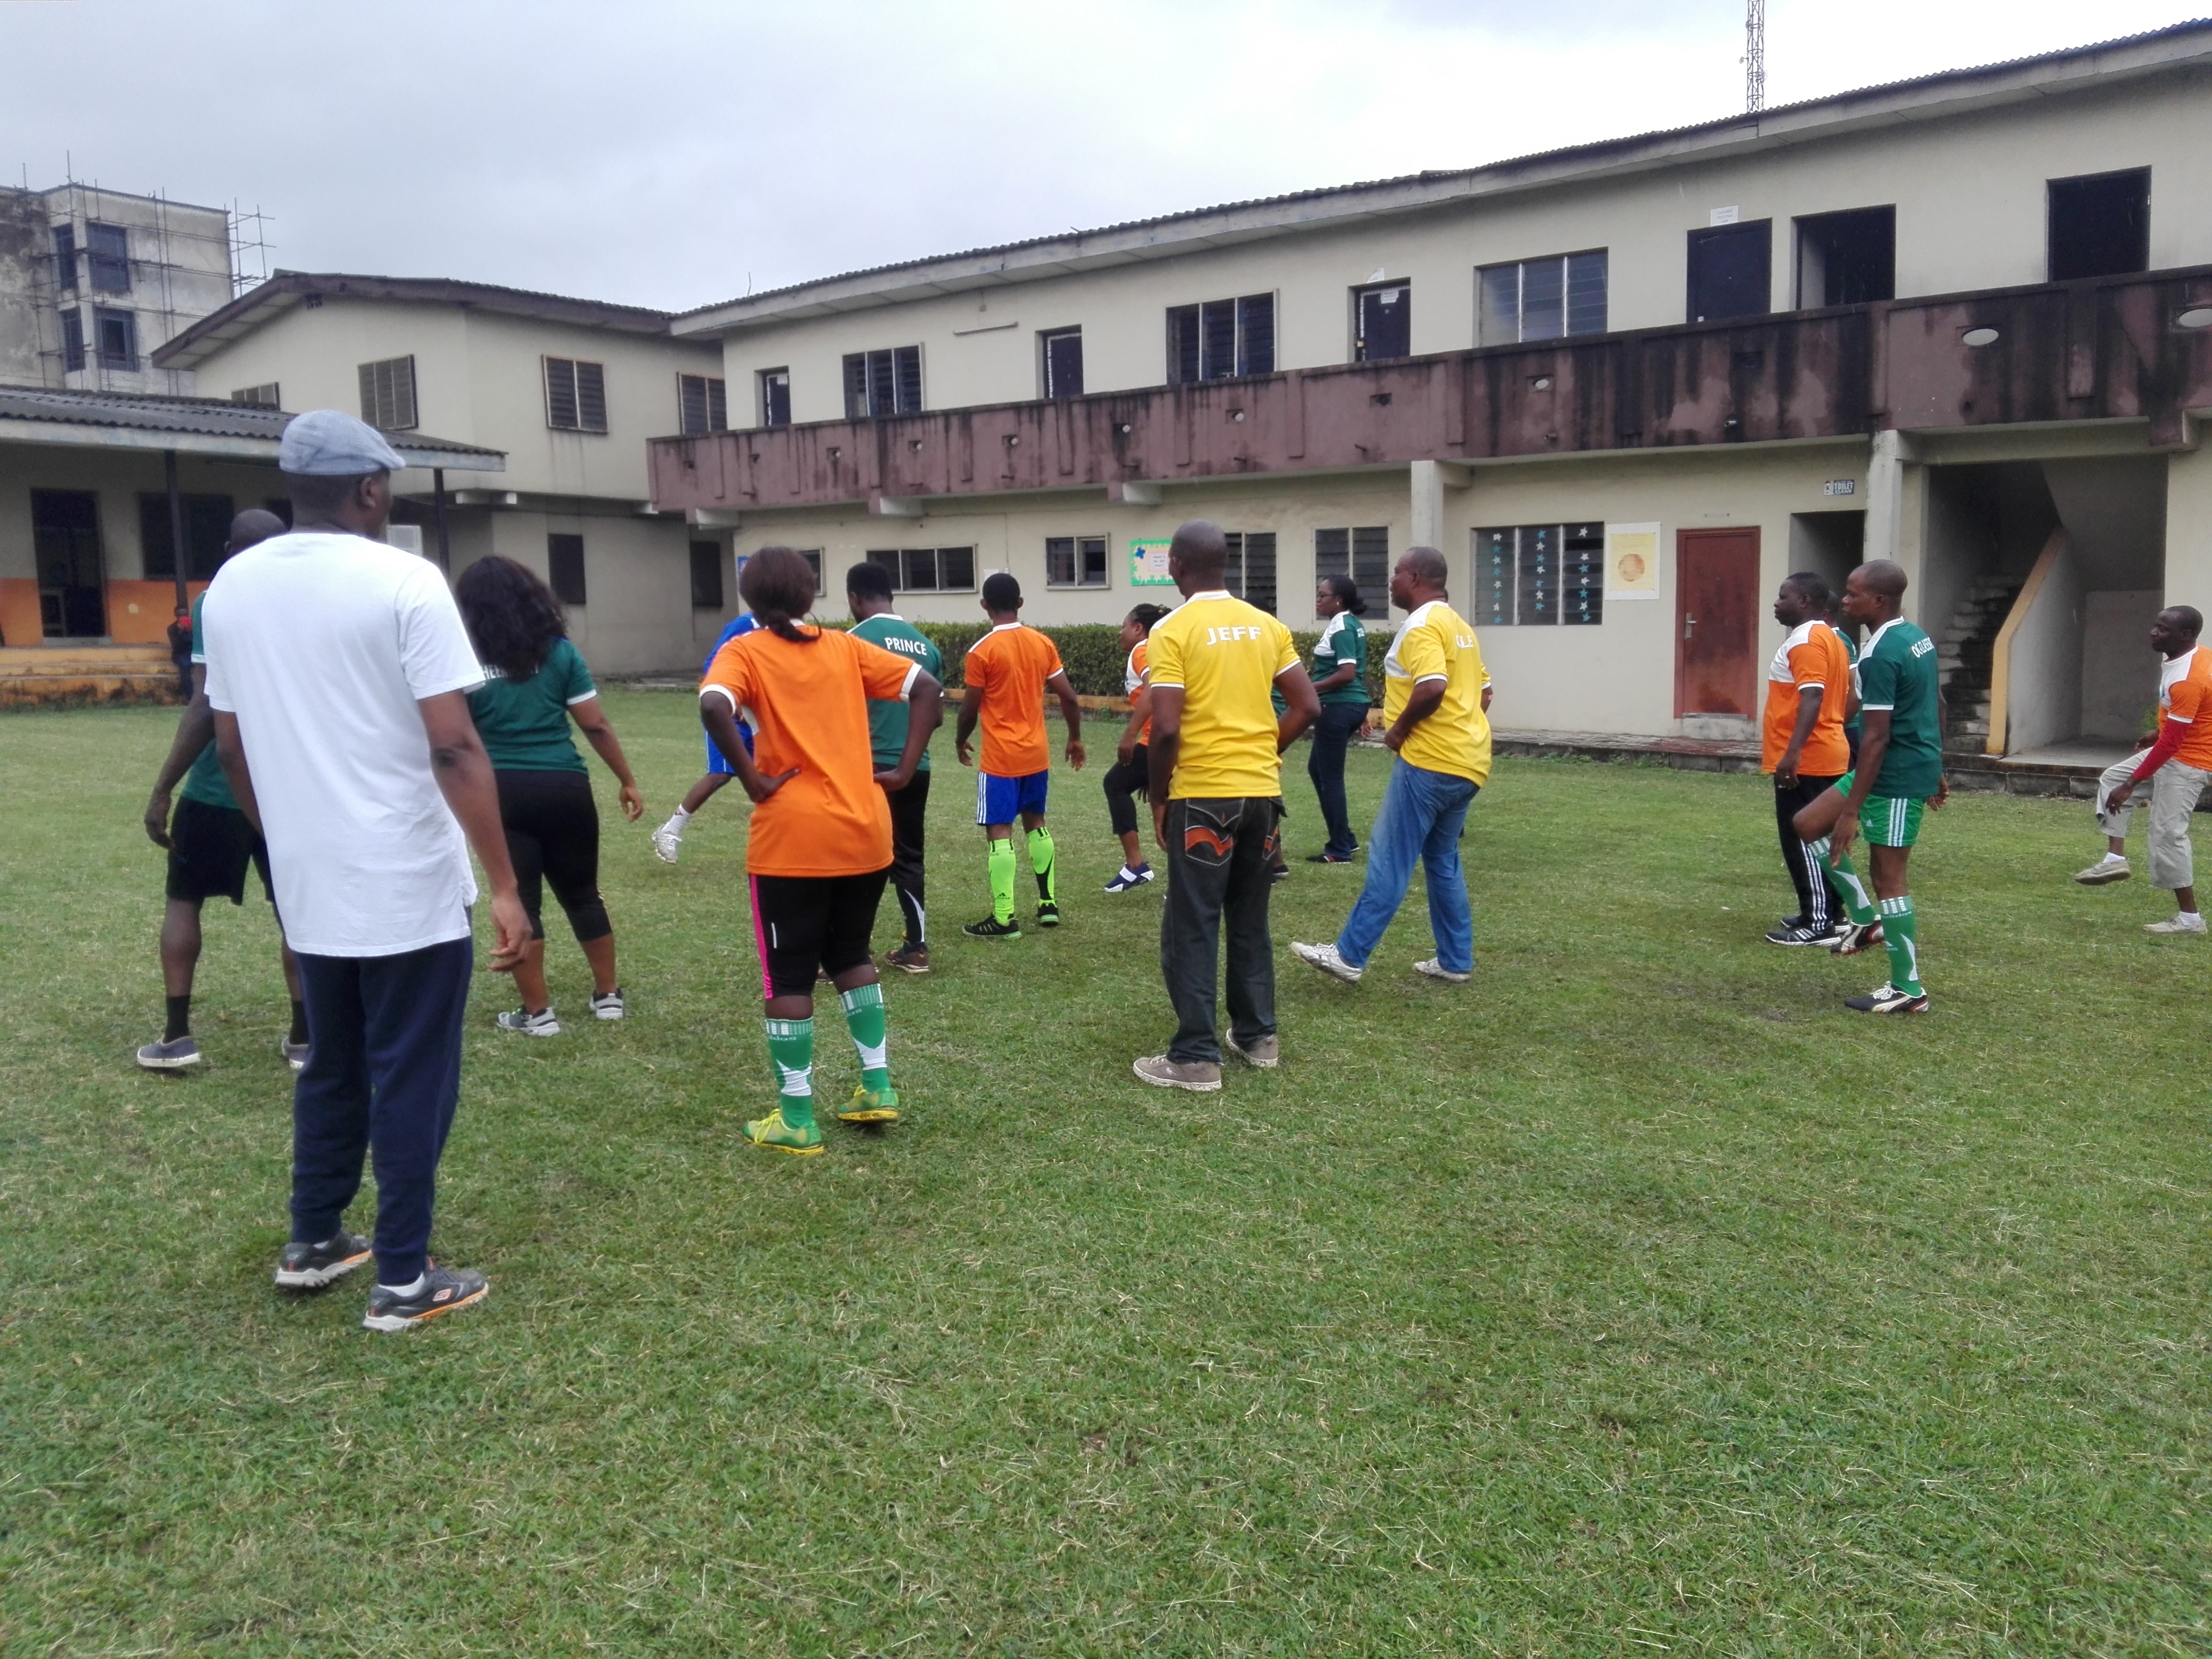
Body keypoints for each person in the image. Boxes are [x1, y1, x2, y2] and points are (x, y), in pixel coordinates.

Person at [203, 409, 529, 1332]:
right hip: (402, 878)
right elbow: (456, 748)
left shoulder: (231, 588)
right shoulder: (403, 580)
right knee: (415, 1069)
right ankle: (403, 1276)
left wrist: (291, 844)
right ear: (371, 488)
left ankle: (313, 1240)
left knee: (332, 1060)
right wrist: (505, 885)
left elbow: (231, 748)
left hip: (310, 881)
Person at [696, 546, 943, 1154]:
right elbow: (929, 689)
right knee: (851, 953)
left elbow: (712, 705)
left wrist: (754, 780)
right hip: (865, 830)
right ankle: (876, 1087)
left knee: (787, 976)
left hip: (791, 840)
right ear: (811, 595)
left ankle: (796, 1118)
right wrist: (904, 769)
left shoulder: (743, 651)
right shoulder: (844, 646)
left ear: (750, 599)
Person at [1134, 521, 1319, 1091]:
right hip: (1262, 796)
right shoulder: (1267, 626)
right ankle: (1257, 1035)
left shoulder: (1171, 631)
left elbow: (1164, 727)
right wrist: (1265, 750)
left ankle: (1194, 1057)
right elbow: (1307, 706)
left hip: (1203, 795)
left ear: (1176, 567)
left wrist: (1159, 795)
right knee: (1248, 917)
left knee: (1191, 923)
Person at [137, 509, 307, 1071]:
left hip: (216, 788)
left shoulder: (218, 601)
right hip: (290, 788)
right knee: (297, 911)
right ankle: (305, 1039)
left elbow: (207, 702)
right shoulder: (307, 601)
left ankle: (177, 1036)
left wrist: (164, 786)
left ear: (230, 549)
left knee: (184, 902)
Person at [455, 555, 646, 1035]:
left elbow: (452, 737)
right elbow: (595, 724)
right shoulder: (560, 652)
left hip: (501, 792)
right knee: (583, 893)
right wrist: (627, 778)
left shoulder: (460, 657)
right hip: (566, 787)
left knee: (523, 903)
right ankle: (607, 997)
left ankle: (538, 1015)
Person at [1293, 546, 1490, 987]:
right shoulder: (1460, 626)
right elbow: (1485, 693)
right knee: (1442, 860)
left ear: (1416, 577)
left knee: (1390, 857)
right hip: (1469, 760)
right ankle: (1455, 960)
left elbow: (1433, 685)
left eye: (1397, 573)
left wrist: (1399, 730)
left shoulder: (1421, 625)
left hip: (1430, 760)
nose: (1390, 580)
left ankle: (1348, 954)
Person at [1790, 559, 1946, 1014]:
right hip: (1898, 766)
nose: (1844, 599)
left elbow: (1877, 736)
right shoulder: (1914, 637)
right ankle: (1864, 920)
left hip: (1895, 775)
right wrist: (1937, 765)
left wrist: (1852, 812)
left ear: (1878, 600)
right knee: (1806, 824)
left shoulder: (1883, 653)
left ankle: (1908, 989)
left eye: (1853, 594)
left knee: (1890, 879)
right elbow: (1931, 702)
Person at [954, 572, 1084, 938]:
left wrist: (959, 739)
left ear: (984, 606)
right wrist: (1074, 738)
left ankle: (1004, 917)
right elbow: (1070, 698)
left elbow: (968, 709)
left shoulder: (981, 652)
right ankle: (1047, 905)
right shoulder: (1042, 643)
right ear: (1021, 604)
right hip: (1036, 755)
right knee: (1036, 823)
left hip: (1000, 758)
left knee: (999, 829)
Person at [2074, 605, 2210, 934]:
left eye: (2162, 629)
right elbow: (2183, 720)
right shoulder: (2188, 657)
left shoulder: (2189, 680)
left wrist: (2133, 785)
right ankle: (2114, 860)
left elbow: (2171, 746)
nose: (2153, 632)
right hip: (2178, 748)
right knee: (2111, 779)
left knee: (2167, 835)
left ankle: (2190, 920)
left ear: (2185, 635)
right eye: (2155, 626)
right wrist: (2157, 731)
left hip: (2190, 762)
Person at [846, 560, 944, 972]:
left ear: (855, 598)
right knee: (909, 855)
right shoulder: (928, 646)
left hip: (867, 766)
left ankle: (849, 951)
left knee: (853, 858)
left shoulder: (850, 642)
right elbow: (935, 715)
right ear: (892, 596)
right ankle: (916, 949)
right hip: (915, 766)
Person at [1761, 573, 1854, 946]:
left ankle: (1818, 923)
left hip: (1808, 759)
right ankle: (1833, 912)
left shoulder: (1805, 641)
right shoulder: (1832, 638)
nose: (1776, 603)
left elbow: (1812, 697)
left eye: (1783, 597)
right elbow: (1851, 698)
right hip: (1825, 751)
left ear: (1803, 602)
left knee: (1802, 838)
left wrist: (1793, 754)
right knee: (1823, 838)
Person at [651, 609, 760, 862]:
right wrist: (734, 701)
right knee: (720, 775)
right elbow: (714, 663)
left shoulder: (782, 628)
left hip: (759, 716)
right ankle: (670, 830)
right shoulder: (746, 624)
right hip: (729, 715)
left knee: (770, 775)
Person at [1304, 573, 1373, 864]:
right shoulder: (1347, 624)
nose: (1319, 599)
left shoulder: (1343, 626)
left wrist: (1307, 689)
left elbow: (1347, 674)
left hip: (1338, 706)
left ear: (1339, 600)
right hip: (1346, 705)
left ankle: (1339, 850)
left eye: (1323, 595)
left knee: (1330, 777)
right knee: (1318, 770)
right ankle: (1346, 839)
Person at [1102, 602, 1170, 893]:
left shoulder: (1142, 650)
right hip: (1161, 740)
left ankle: (1137, 865)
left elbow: (1155, 688)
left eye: (1124, 626)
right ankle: (1138, 866)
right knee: (1161, 804)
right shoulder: (1158, 649)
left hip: (1157, 739)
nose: (1121, 633)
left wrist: (1130, 734)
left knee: (1162, 810)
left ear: (1138, 628)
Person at [166, 605, 194, 699]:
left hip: (193, 653)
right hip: (181, 654)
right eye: (180, 615)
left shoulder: (194, 626)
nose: (183, 617)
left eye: (185, 614)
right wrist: (180, 632)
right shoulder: (172, 629)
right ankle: (190, 697)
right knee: (185, 667)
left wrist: (191, 630)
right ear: (176, 616)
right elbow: (176, 646)